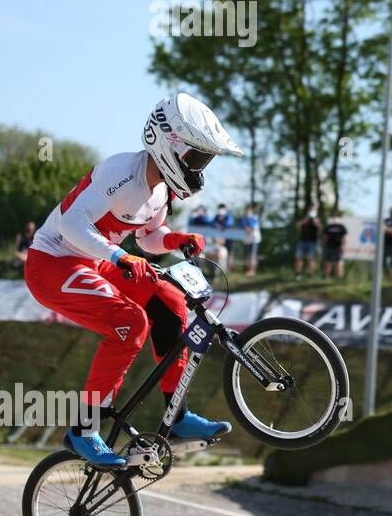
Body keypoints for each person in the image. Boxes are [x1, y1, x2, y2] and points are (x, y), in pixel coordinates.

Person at [22, 93, 238, 467]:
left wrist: (174, 240)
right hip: (53, 263)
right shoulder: (120, 173)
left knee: (171, 302)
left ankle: (179, 415)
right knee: (128, 321)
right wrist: (119, 257)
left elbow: (147, 237)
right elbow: (73, 223)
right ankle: (84, 430)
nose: (200, 169)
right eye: (197, 157)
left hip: (93, 261)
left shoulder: (160, 190)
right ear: (169, 144)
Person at [295, 206, 321, 279]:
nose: (312, 211)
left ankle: (310, 275)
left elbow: (321, 228)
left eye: (313, 210)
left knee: (311, 258)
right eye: (311, 209)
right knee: (299, 258)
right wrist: (304, 220)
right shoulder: (304, 217)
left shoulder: (317, 218)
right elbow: (297, 225)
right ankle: (298, 274)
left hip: (313, 242)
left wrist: (316, 222)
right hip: (302, 241)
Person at [322, 213, 348, 280]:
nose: (334, 218)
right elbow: (325, 237)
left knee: (339, 263)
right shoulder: (328, 227)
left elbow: (345, 237)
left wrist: (344, 246)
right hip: (328, 247)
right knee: (327, 262)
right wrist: (324, 246)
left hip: (338, 247)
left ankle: (339, 278)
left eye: (336, 217)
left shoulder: (341, 227)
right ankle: (326, 277)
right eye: (333, 216)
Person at [240, 202, 261, 276]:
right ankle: (247, 269)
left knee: (252, 255)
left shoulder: (255, 217)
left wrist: (248, 226)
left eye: (249, 209)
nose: (247, 211)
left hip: (254, 239)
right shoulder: (244, 217)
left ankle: (252, 270)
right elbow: (242, 225)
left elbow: (253, 225)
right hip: (246, 239)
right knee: (247, 255)